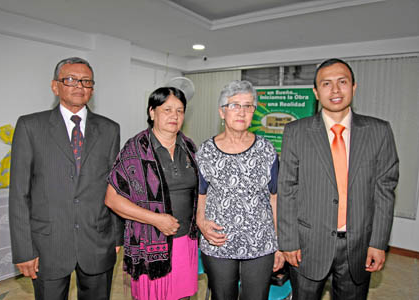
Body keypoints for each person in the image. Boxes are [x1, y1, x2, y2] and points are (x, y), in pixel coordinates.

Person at [277, 58, 400, 300]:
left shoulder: (379, 131)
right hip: (308, 245)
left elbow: (385, 189)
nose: (335, 90)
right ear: (315, 91)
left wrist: (378, 242)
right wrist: (288, 241)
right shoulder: (296, 132)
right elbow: (287, 188)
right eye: (326, 84)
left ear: (354, 87)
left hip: (359, 245)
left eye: (342, 82)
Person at [9, 57, 123, 300]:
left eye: (86, 81)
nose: (79, 86)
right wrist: (23, 250)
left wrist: (116, 236)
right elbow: (19, 193)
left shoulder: (110, 129)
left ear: (92, 88)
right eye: (70, 79)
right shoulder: (30, 126)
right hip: (48, 244)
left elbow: (114, 187)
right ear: (55, 86)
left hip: (97, 241)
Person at [105, 87, 199, 300]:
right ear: (152, 112)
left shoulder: (190, 148)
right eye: (167, 110)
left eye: (180, 110)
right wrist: (156, 220)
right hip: (151, 243)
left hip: (186, 241)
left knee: (183, 297)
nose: (174, 116)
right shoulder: (136, 149)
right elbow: (112, 199)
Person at [195, 80, 285, 300]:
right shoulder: (206, 151)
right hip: (218, 242)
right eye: (235, 105)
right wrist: (200, 222)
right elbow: (200, 194)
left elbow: (275, 198)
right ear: (222, 112)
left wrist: (280, 244)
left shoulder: (266, 150)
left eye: (248, 106)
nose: (242, 112)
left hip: (261, 243)